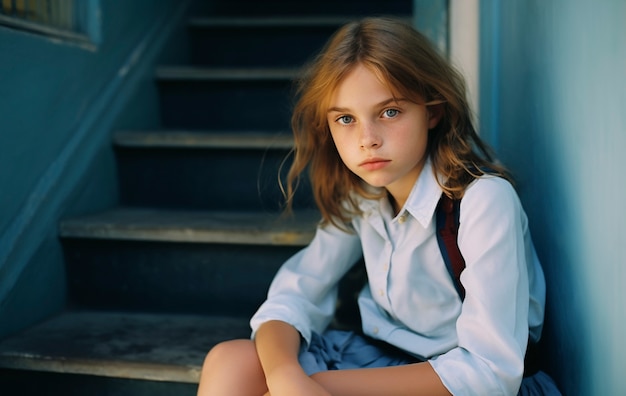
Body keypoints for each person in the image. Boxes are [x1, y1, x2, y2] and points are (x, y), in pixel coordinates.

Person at [197, 17, 560, 395]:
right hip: (381, 357)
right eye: (346, 119)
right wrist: (287, 376)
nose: (367, 140)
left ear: (432, 111)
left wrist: (320, 385)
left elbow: (488, 372)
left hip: (458, 381)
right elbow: (294, 295)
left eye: (389, 112)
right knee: (233, 360)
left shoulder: (483, 200)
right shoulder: (365, 197)